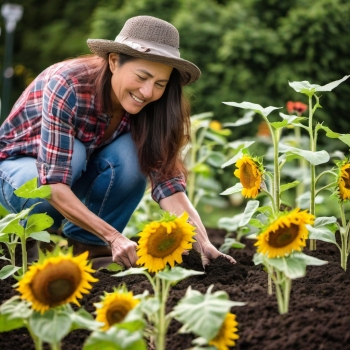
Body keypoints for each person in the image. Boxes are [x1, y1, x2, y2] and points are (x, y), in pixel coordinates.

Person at [0, 15, 236, 269]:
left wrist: (203, 243)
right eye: (142, 76)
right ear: (114, 61)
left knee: (136, 156)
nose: (147, 92)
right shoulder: (69, 84)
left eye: (159, 84)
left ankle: (91, 247)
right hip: (19, 177)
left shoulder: (155, 107)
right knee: (74, 153)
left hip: (70, 180)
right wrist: (114, 236)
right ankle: (23, 238)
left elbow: (168, 185)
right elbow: (53, 183)